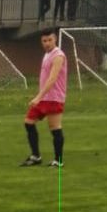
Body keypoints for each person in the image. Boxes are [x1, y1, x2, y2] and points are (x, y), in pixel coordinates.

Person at [20, 27, 67, 168]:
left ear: (55, 39)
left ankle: (58, 161)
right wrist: (40, 96)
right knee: (28, 122)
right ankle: (36, 156)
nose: (47, 43)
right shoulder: (47, 54)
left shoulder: (58, 56)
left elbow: (52, 79)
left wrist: (38, 97)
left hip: (54, 98)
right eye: (44, 41)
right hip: (44, 98)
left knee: (55, 128)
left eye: (49, 40)